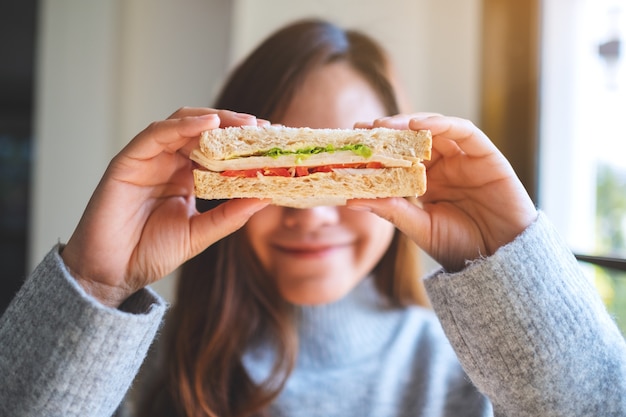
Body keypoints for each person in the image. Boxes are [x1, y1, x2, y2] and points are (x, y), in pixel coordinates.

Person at [1, 18, 625, 417]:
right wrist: (96, 285)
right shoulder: (134, 368)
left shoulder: (474, 371)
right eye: (280, 168)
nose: (314, 213)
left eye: (340, 163)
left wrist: (518, 264)